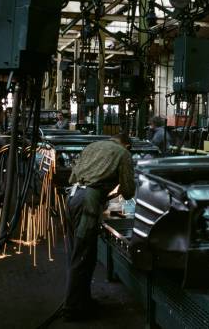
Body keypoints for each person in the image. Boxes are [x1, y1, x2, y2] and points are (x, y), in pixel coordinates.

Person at [63, 133, 135, 320]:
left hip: (72, 198)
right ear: (126, 145)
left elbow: (74, 176)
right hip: (87, 204)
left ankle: (82, 301)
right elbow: (128, 192)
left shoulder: (93, 146)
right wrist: (120, 188)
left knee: (79, 253)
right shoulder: (123, 153)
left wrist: (106, 195)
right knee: (82, 256)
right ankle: (72, 309)